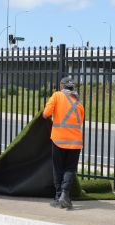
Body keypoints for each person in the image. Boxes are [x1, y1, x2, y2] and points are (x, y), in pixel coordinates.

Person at [42, 77, 84, 209]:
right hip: (75, 142)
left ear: (62, 86)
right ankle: (65, 194)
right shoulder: (79, 103)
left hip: (59, 140)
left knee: (58, 169)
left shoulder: (57, 96)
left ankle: (58, 196)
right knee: (70, 169)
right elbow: (80, 122)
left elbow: (46, 113)